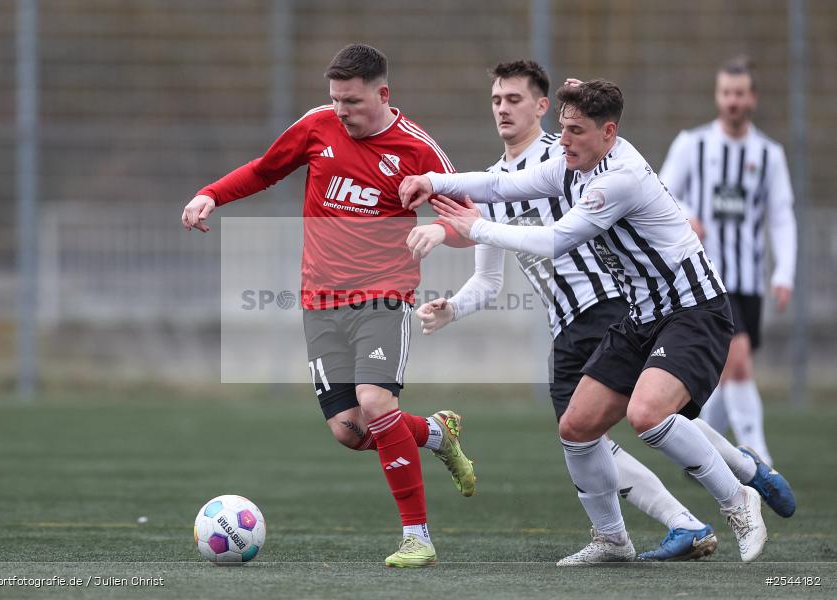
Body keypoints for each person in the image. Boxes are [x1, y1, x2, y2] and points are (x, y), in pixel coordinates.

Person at [411, 61, 794, 561]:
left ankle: (735, 499)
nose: (564, 140)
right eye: (496, 99)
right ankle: (615, 537)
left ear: (606, 132)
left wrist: (472, 227)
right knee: (578, 427)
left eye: (574, 130)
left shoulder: (616, 179)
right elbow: (501, 189)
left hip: (689, 307)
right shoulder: (568, 162)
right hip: (636, 314)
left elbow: (555, 239)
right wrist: (433, 181)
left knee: (647, 414)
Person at [181, 44, 476, 568]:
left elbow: (468, 223)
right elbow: (265, 170)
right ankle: (435, 433)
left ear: (383, 94)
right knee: (350, 429)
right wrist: (212, 194)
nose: (341, 110)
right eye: (335, 99)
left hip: (383, 295)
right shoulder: (317, 126)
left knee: (376, 402)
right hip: (319, 301)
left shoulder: (417, 149)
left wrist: (438, 230)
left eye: (352, 101)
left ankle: (418, 537)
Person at [659, 56, 797, 479]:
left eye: (739, 93)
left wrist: (784, 272)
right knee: (736, 361)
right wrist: (687, 214)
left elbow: (781, 215)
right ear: (718, 97)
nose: (732, 101)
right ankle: (757, 455)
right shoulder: (693, 144)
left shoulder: (769, 154)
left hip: (748, 278)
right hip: (704, 277)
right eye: (726, 93)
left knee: (727, 370)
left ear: (752, 98)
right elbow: (661, 192)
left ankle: (702, 452)